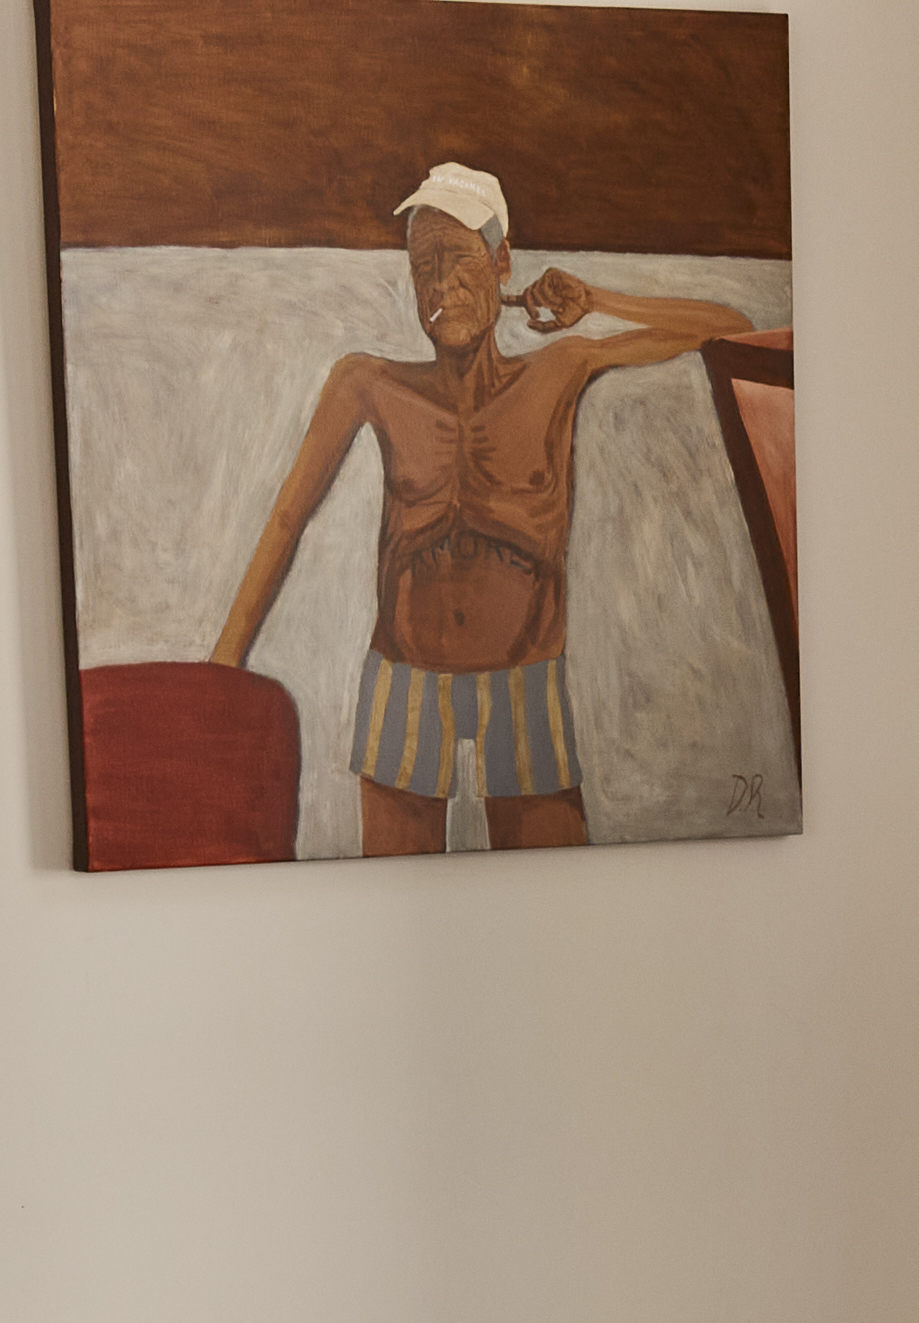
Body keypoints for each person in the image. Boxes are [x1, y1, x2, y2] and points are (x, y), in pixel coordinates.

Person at [208, 162, 756, 854]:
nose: (441, 286)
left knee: (550, 891)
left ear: (501, 263)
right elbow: (287, 521)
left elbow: (728, 326)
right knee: (392, 893)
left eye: (460, 260)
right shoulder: (368, 383)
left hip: (525, 685)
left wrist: (596, 298)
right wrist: (219, 675)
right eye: (423, 268)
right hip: (403, 682)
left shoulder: (559, 371)